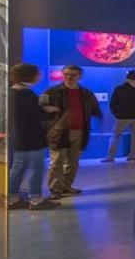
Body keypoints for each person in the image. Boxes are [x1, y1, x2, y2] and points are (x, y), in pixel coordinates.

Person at [43, 64, 102, 197]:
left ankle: (66, 186)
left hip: (80, 131)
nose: (69, 77)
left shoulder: (86, 93)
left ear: (79, 76)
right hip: (59, 132)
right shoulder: (52, 92)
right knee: (57, 161)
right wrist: (50, 126)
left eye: (73, 75)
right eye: (66, 74)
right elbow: (42, 109)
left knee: (73, 162)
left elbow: (94, 109)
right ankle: (55, 189)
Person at [8, 63, 59, 211]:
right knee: (37, 168)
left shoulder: (13, 92)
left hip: (19, 138)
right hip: (31, 138)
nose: (39, 76)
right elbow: (37, 115)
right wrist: (49, 110)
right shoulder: (26, 94)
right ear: (30, 75)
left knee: (18, 168)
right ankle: (36, 199)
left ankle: (12, 199)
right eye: (37, 73)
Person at [104, 69, 135, 162]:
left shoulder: (119, 89)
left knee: (115, 136)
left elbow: (113, 103)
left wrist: (116, 113)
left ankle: (110, 156)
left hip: (122, 117)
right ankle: (132, 156)